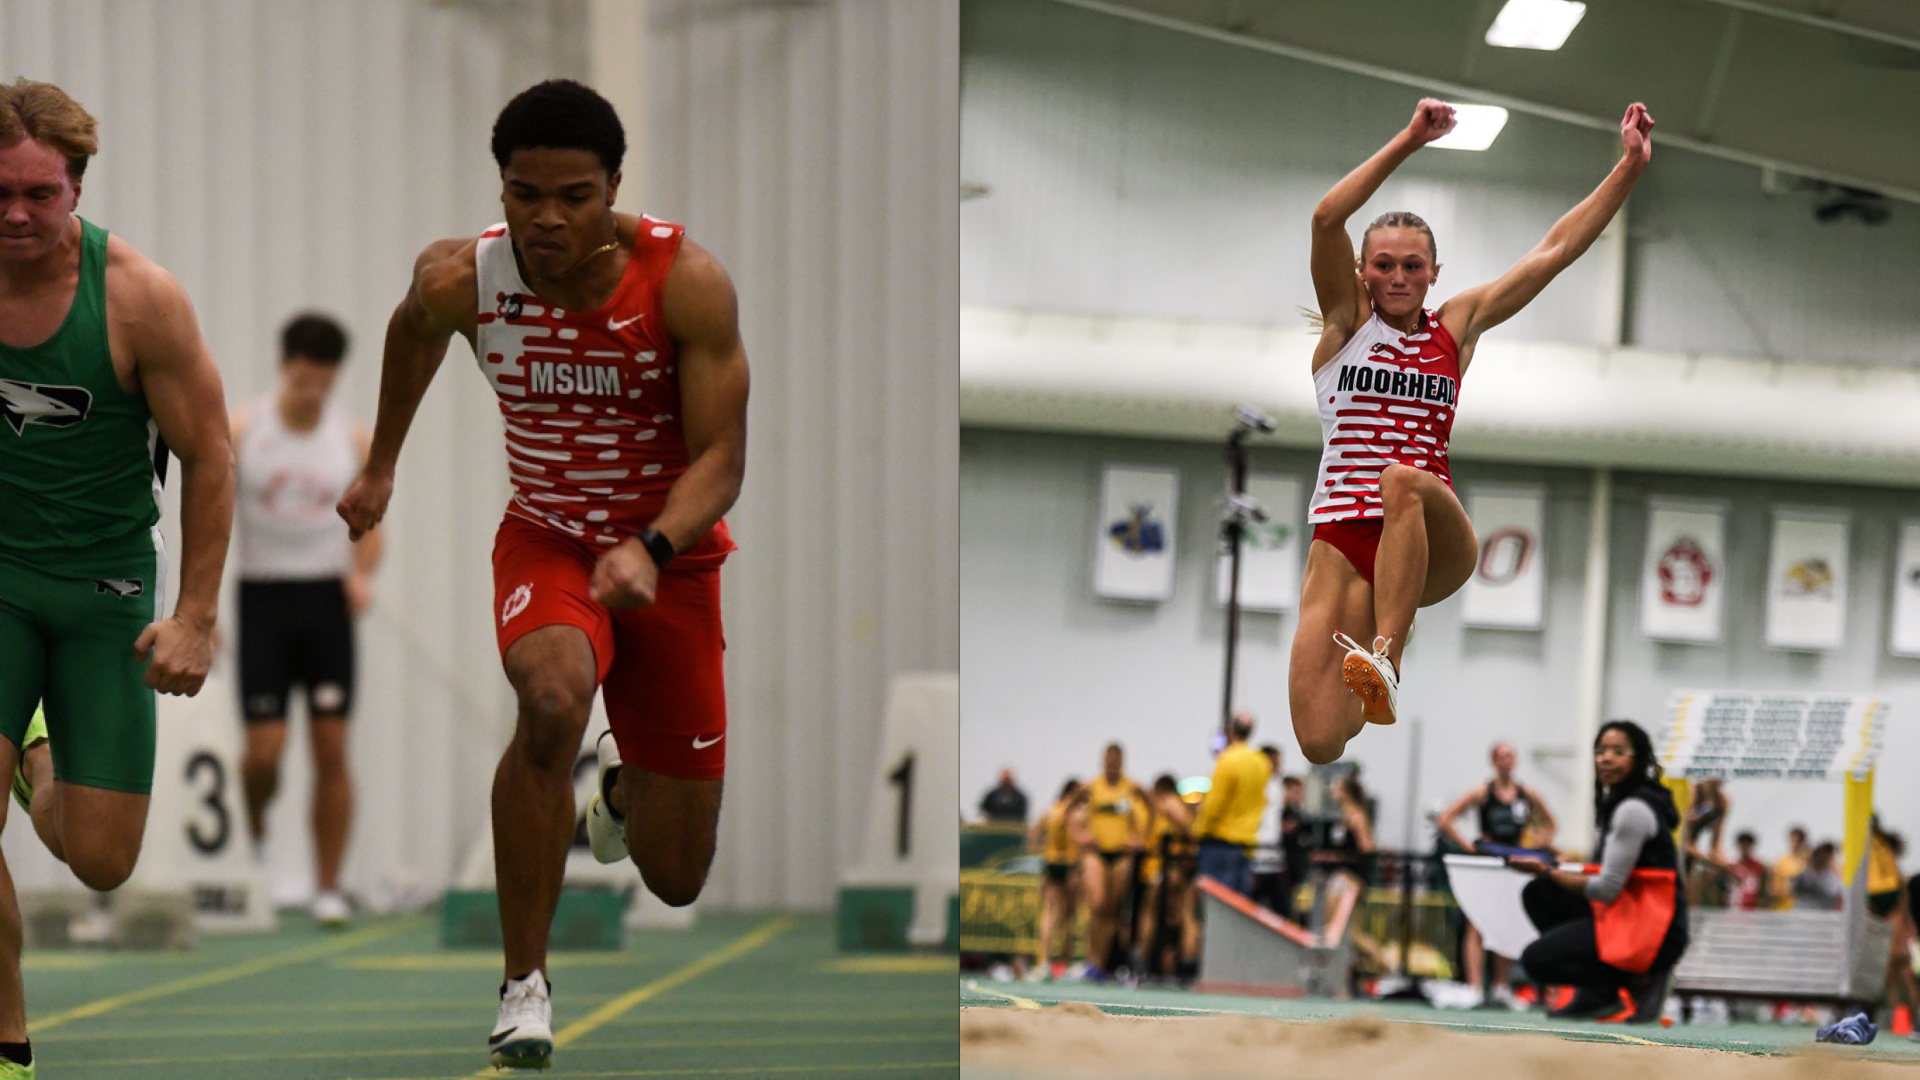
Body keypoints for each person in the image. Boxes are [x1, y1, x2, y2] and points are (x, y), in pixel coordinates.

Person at [335, 79, 749, 1071]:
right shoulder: (460, 279)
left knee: (678, 874)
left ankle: (622, 789)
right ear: (502, 187)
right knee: (552, 699)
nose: (548, 218)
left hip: (670, 563)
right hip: (549, 539)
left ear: (613, 188)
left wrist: (650, 549)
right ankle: (525, 985)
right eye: (526, 195)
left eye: (574, 195)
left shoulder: (685, 282)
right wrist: (381, 464)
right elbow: (410, 336)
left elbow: (722, 462)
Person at [1288, 98, 1656, 762]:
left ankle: (1388, 657)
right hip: (1341, 537)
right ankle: (1374, 676)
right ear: (1362, 273)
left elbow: (1555, 251)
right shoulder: (1346, 328)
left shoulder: (1455, 326)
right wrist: (1409, 139)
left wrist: (1628, 166)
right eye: (1384, 265)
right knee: (1320, 742)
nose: (1398, 277)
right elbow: (1325, 218)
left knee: (1399, 478)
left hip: (1427, 523)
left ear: (1434, 274)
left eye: (1412, 266)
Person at [0, 78, 236, 1079]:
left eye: (37, 196)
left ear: (78, 189)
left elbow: (213, 455)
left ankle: (37, 754)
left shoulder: (139, 300)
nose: (14, 215)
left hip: (104, 592)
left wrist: (195, 615)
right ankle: (8, 1037)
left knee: (100, 858)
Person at [230, 312, 382, 926]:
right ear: (283, 367)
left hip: (325, 603)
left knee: (331, 746)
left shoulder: (352, 442)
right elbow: (215, 516)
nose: (312, 391)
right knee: (264, 751)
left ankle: (327, 886)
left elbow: (371, 525)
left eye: (323, 381)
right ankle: (258, 829)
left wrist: (363, 574)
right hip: (263, 598)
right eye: (302, 379)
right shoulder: (244, 430)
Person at [1507, 721, 1688, 1025]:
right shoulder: (1623, 804)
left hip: (1656, 932)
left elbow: (1607, 888)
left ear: (1638, 759)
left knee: (1536, 960)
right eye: (1601, 750)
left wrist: (1546, 870)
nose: (1605, 758)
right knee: (1540, 895)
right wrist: (1554, 866)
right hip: (1633, 915)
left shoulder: (1633, 810)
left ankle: (1642, 979)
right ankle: (1600, 992)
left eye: (1618, 751)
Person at [1436, 742, 1557, 1005]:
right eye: (1502, 756)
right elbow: (1446, 818)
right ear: (1493, 760)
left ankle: (1501, 986)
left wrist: (1533, 847)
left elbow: (1550, 822)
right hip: (1486, 863)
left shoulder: (1526, 793)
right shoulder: (1482, 792)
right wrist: (1469, 845)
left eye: (1511, 756)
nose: (1507, 761)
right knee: (1476, 923)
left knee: (1505, 922)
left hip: (1512, 864)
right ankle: (1475, 986)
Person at [1076, 743, 1149, 982]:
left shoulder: (1132, 787)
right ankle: (1092, 958)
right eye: (1109, 760)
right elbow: (1066, 808)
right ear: (1103, 761)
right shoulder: (1091, 785)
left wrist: (1141, 838)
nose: (1112, 765)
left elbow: (1153, 808)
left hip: (1121, 855)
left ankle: (1101, 963)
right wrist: (1079, 835)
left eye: (1116, 761)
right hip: (1097, 853)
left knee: (1112, 910)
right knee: (1097, 904)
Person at [1191, 713, 1271, 897]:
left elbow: (1213, 806)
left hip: (1220, 844)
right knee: (1238, 906)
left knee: (1217, 904)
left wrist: (1197, 831)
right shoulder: (1261, 762)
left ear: (1230, 730)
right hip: (1247, 844)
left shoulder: (1227, 761)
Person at [1026, 779, 1089, 981]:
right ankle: (1066, 964)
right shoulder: (1078, 814)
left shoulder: (1050, 811)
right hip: (1070, 865)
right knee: (1069, 917)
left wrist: (1042, 854)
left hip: (1051, 863)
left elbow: (1033, 837)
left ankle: (1042, 962)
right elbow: (1082, 843)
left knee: (1049, 914)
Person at [1134, 774, 1193, 980]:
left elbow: (1188, 828)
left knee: (1161, 916)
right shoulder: (1165, 804)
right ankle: (1171, 965)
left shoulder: (1167, 803)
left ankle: (1145, 962)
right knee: (1173, 916)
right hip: (1162, 867)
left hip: (1165, 867)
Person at [1684, 778, 1733, 907]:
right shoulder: (1691, 794)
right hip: (1679, 850)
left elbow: (1715, 845)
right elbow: (1683, 842)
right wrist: (1709, 861)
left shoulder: (1722, 801)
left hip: (1691, 853)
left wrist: (1727, 865)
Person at [1792, 842, 1845, 911]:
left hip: (1824, 913)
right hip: (1805, 912)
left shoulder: (1831, 875)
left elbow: (1834, 892)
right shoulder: (1805, 874)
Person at [1772, 825, 1811, 910]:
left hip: (1806, 908)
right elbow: (1775, 889)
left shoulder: (1809, 861)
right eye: (1794, 840)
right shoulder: (1781, 862)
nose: (1796, 843)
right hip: (1786, 908)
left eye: (1799, 840)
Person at [1729, 831, 1769, 911]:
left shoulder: (1759, 867)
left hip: (1753, 909)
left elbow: (1764, 891)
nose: (1745, 848)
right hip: (1735, 908)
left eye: (1747, 845)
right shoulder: (1732, 866)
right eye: (1742, 845)